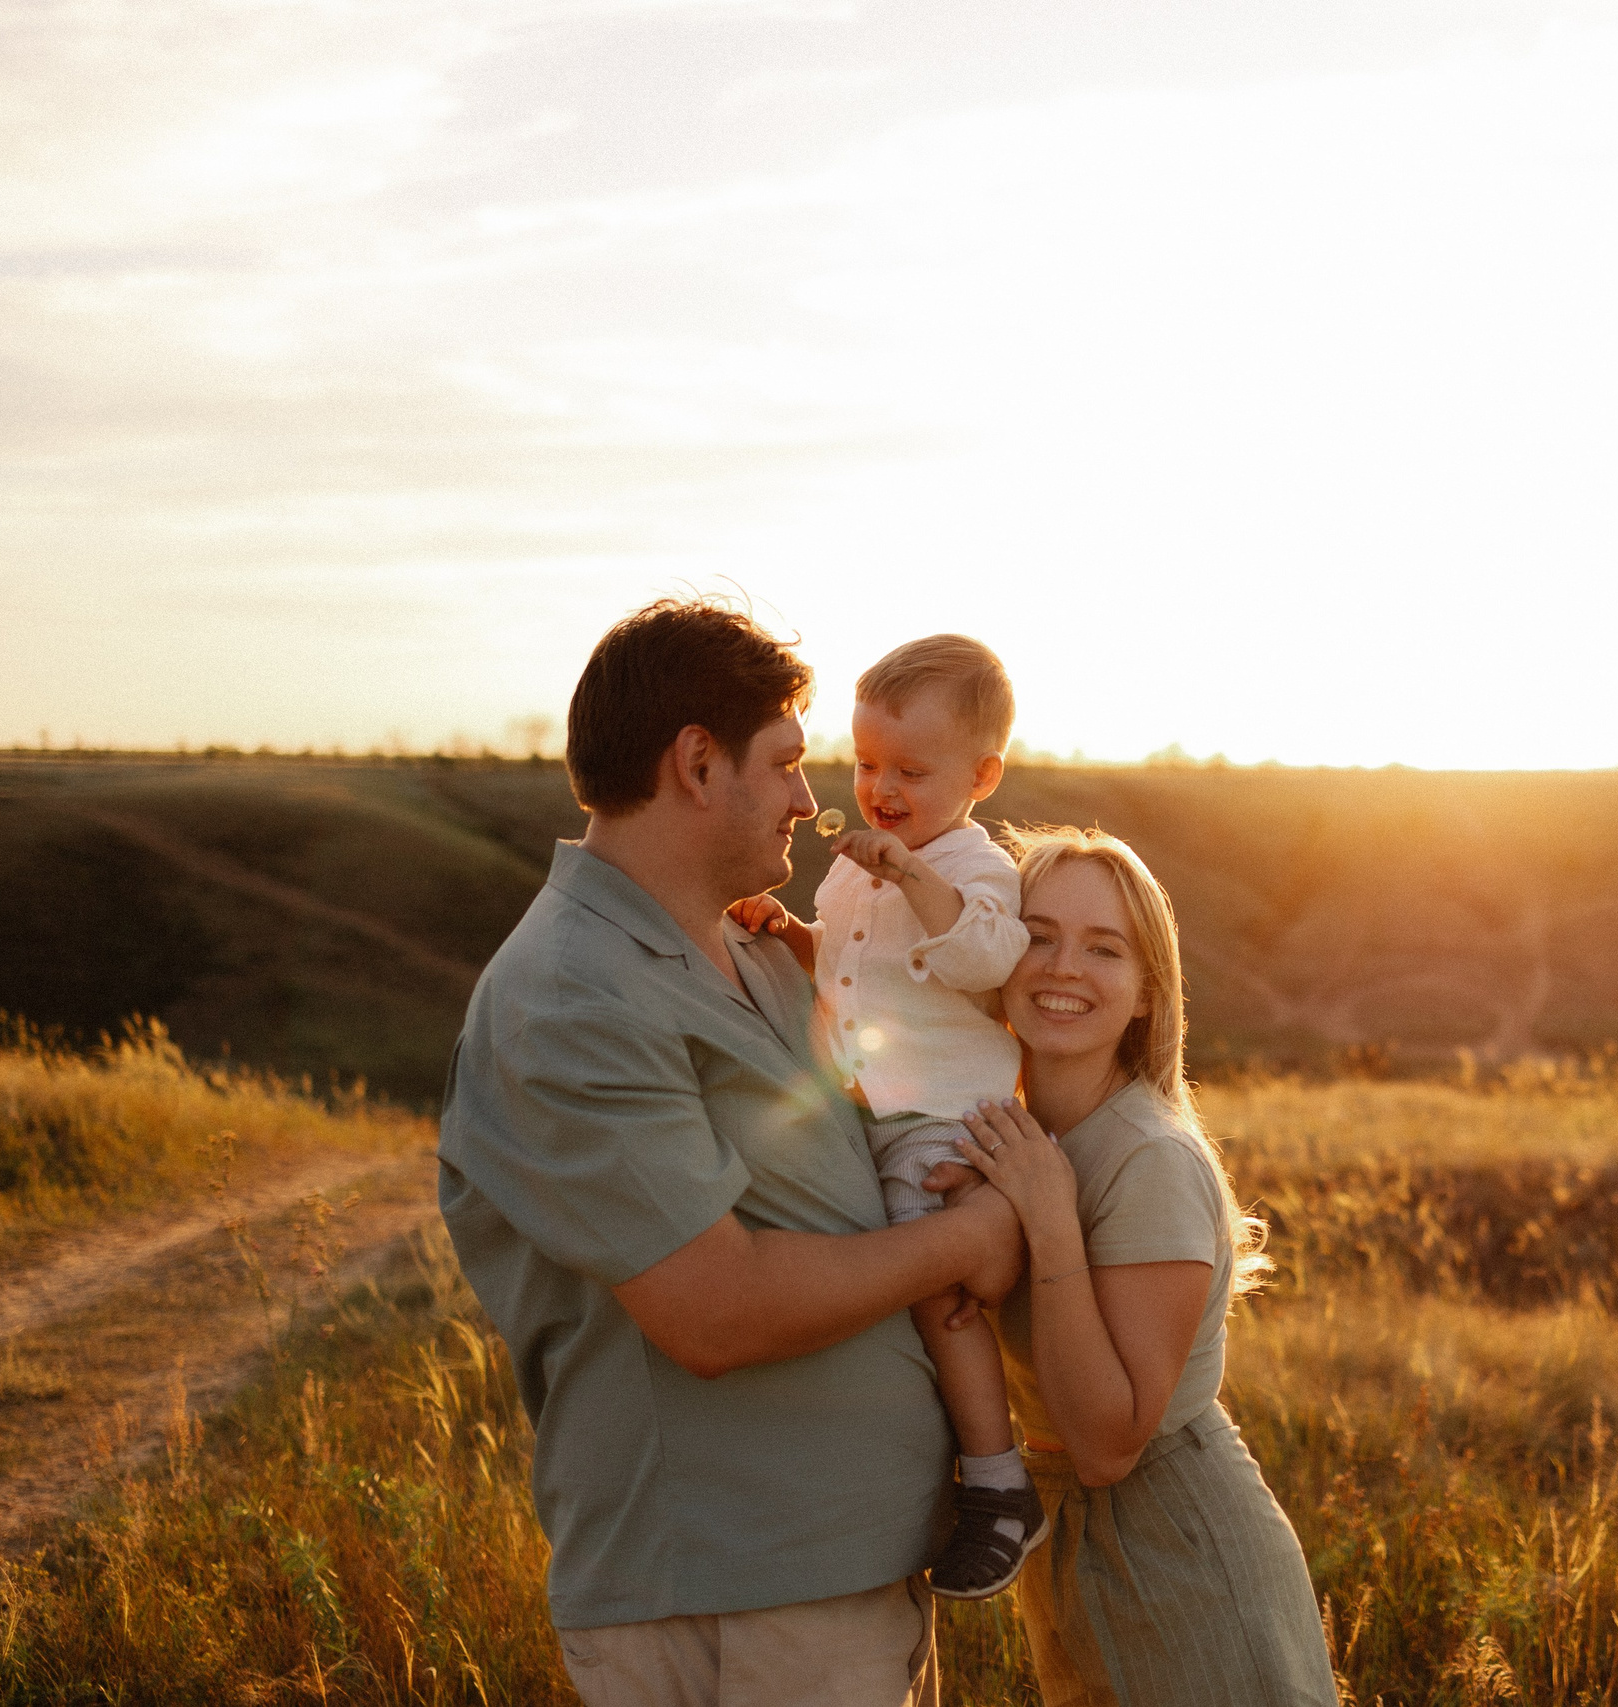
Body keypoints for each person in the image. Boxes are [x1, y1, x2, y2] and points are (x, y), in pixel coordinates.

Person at [437, 597, 1026, 1707]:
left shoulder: (751, 954)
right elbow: (715, 1311)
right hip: (731, 1593)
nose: (816, 801)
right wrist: (976, 1233)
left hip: (833, 1573)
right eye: (792, 766)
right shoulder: (571, 995)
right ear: (699, 765)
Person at [949, 827, 1340, 1707]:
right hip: (1074, 1542)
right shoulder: (1017, 1136)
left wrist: (1050, 1222)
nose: (1062, 966)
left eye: (1104, 948)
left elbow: (1109, 1441)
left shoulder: (1146, 1158)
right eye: (1037, 933)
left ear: (1144, 995)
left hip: (1175, 1544)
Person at [728, 634, 1047, 1599]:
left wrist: (911, 872)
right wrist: (792, 932)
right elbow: (850, 966)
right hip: (872, 1112)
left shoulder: (971, 863)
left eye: (913, 769)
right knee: (874, 1277)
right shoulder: (852, 870)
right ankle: (919, 1450)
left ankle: (999, 1483)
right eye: (867, 764)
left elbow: (987, 957)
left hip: (949, 1121)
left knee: (934, 1284)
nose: (883, 788)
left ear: (981, 775)